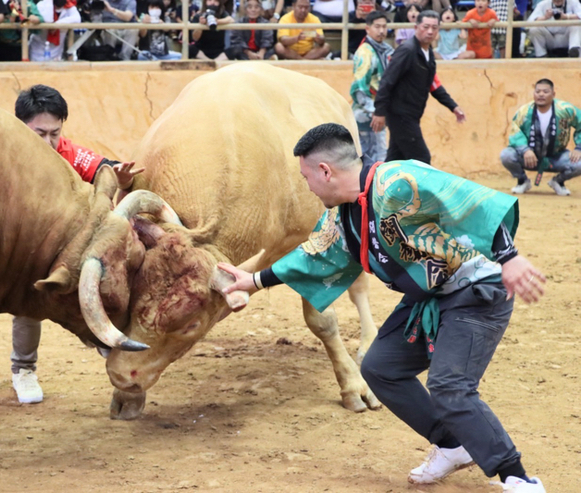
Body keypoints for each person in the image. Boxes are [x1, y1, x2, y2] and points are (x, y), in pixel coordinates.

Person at [218, 123, 548, 493]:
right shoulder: (341, 214)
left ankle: (517, 475)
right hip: (429, 296)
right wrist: (255, 281)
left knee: (449, 386)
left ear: (325, 171)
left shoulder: (398, 180)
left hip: (477, 289)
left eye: (306, 176)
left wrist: (510, 258)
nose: (307, 185)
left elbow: (469, 199)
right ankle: (451, 446)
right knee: (380, 368)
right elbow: (314, 256)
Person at [0, 85, 144, 404]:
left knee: (32, 298)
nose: (49, 142)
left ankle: (24, 370)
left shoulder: (68, 152)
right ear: (19, 124)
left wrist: (123, 179)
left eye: (55, 133)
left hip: (28, 252)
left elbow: (108, 168)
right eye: (39, 133)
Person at [371, 10, 466, 165]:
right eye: (425, 27)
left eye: (434, 28)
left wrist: (453, 107)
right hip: (400, 115)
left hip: (411, 115)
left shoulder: (428, 55)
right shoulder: (407, 51)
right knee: (421, 159)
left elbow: (433, 86)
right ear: (416, 27)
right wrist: (380, 111)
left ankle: (379, 188)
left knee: (395, 160)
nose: (430, 31)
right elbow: (387, 81)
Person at [500, 79, 581, 196]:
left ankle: (558, 182)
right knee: (506, 155)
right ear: (534, 94)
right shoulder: (525, 111)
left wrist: (579, 148)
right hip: (530, 158)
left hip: (556, 157)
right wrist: (525, 150)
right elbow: (515, 131)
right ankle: (522, 181)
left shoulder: (565, 110)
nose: (541, 95)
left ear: (553, 94)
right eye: (538, 91)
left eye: (545, 91)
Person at [350, 10, 391, 166]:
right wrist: (375, 110)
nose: (381, 31)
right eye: (377, 26)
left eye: (384, 26)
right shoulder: (365, 53)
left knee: (379, 156)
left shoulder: (386, 50)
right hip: (368, 112)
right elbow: (358, 88)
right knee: (370, 159)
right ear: (368, 29)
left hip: (380, 111)